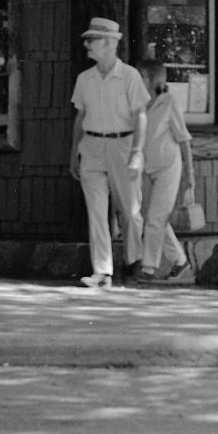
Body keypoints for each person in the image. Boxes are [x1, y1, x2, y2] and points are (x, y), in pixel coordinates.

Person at [69, 17, 146, 289]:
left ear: (109, 43)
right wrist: (73, 153)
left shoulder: (130, 76)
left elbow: (141, 116)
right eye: (87, 39)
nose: (87, 44)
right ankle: (103, 271)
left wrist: (137, 151)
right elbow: (80, 118)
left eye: (92, 39)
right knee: (97, 212)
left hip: (122, 146)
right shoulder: (84, 79)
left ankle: (134, 261)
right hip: (91, 147)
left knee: (130, 210)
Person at [132, 59, 197, 281]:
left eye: (141, 75)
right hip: (146, 167)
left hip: (169, 167)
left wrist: (190, 176)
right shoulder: (138, 102)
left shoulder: (169, 102)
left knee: (155, 218)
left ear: (151, 79)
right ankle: (180, 261)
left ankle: (148, 268)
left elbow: (184, 139)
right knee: (153, 217)